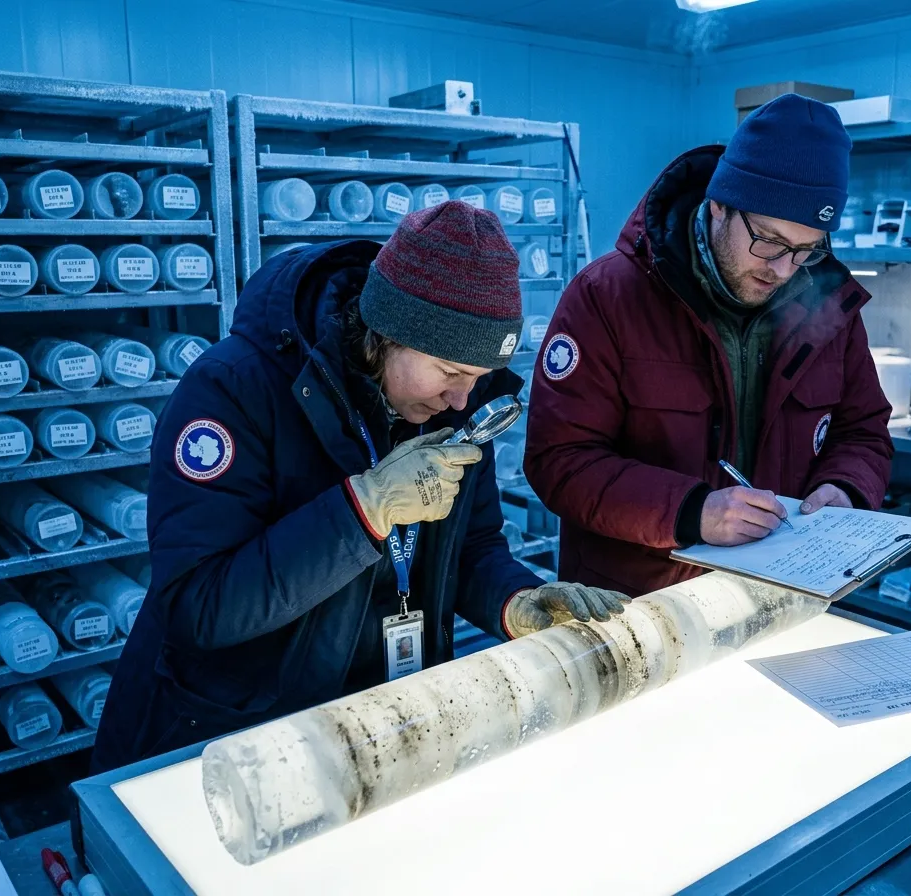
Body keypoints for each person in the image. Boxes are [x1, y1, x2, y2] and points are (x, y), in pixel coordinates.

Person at [91, 203, 628, 773]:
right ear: (388, 332)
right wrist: (363, 511)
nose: (461, 401)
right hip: (238, 738)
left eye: (476, 379)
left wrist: (516, 602)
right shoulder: (233, 392)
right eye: (449, 373)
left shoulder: (452, 401)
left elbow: (470, 549)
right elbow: (198, 606)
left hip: (378, 726)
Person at [524, 94, 893, 597]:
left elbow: (864, 430)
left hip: (779, 595)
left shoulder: (830, 310)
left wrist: (846, 488)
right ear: (719, 205)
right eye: (769, 241)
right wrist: (690, 511)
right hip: (637, 607)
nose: (783, 270)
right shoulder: (608, 297)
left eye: (806, 250)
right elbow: (560, 460)